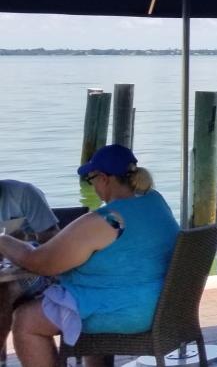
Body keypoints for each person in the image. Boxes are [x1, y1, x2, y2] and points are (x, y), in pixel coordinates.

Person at [4, 146, 178, 367]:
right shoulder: (154, 201)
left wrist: (4, 241)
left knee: (27, 320)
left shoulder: (110, 220)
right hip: (164, 304)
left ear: (103, 178)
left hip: (127, 312)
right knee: (77, 301)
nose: (92, 186)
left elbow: (39, 263)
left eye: (90, 180)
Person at [0, 180, 60, 359]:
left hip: (33, 272)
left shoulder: (23, 193)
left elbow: (54, 240)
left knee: (3, 292)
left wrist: (20, 240)